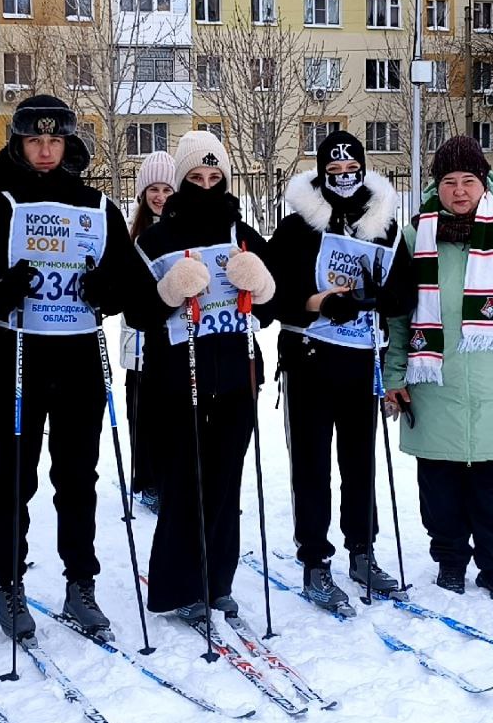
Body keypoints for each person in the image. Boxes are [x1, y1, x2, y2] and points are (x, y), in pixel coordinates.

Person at [0, 95, 151, 640]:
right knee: (16, 475)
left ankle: (80, 581)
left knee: (78, 477)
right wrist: (1, 290)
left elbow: (133, 289)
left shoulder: (96, 206)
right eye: (35, 141)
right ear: (18, 145)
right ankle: (9, 581)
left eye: (54, 140)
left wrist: (107, 290)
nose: (44, 150)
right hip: (15, 359)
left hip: (78, 360)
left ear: (68, 146)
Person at [384, 135, 493, 604]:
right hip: (433, 384)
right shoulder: (416, 235)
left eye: (468, 180)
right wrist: (394, 375)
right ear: (435, 186)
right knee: (438, 485)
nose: (459, 191)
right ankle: (449, 562)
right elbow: (400, 316)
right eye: (449, 181)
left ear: (485, 182)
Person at [264, 130, 415, 612]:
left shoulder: (382, 225)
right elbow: (269, 298)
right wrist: (318, 303)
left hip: (360, 359)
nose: (344, 178)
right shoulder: (296, 228)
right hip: (309, 359)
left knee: (360, 461)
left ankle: (362, 550)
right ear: (321, 174)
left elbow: (404, 293)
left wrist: (378, 296)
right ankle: (315, 561)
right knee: (311, 465)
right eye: (334, 171)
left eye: (352, 171)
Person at [128, 131, 276, 621]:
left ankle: (218, 581)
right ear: (180, 181)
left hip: (235, 376)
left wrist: (261, 283)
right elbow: (134, 311)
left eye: (215, 177)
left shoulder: (242, 233)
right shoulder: (156, 239)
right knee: (183, 484)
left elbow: (270, 308)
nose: (207, 186)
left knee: (225, 483)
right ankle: (179, 587)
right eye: (196, 177)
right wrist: (168, 292)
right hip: (177, 379)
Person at [119, 151, 175, 514]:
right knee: (142, 414)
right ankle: (147, 480)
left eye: (167, 189)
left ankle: (173, 476)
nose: (160, 196)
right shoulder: (132, 233)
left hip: (173, 339)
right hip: (138, 342)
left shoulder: (181, 229)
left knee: (171, 414)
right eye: (153, 189)